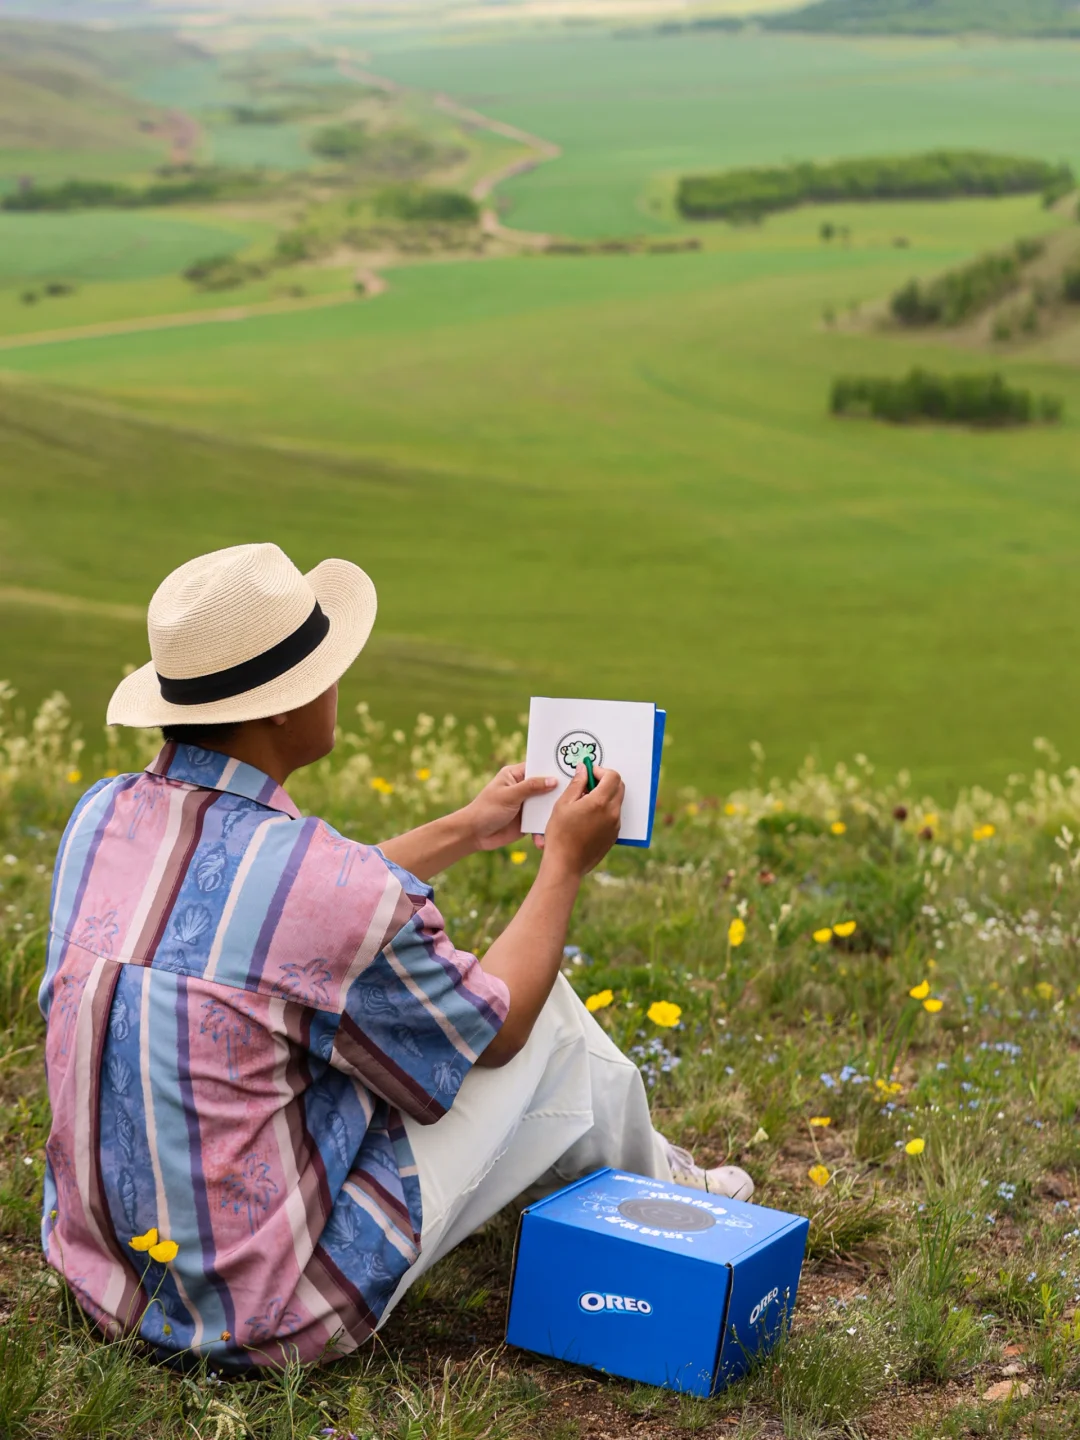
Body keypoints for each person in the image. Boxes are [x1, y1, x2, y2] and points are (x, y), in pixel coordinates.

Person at [40, 543, 753, 1371]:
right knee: (548, 1014)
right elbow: (499, 1031)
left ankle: (647, 1185)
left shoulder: (102, 816)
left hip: (111, 1280)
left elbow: (270, 915)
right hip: (263, 1317)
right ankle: (671, 1209)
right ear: (283, 708)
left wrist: (463, 829)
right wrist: (563, 865)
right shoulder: (325, 885)